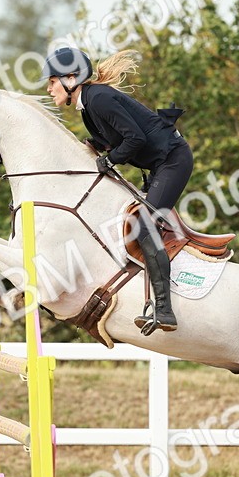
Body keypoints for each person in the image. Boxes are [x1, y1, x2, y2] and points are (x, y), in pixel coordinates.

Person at [42, 47, 193, 335]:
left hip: (173, 160)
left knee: (145, 225)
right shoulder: (88, 107)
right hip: (159, 164)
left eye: (52, 81)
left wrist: (109, 160)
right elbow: (111, 140)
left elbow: (133, 139)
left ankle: (164, 309)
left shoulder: (98, 99)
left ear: (71, 78)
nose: (49, 89)